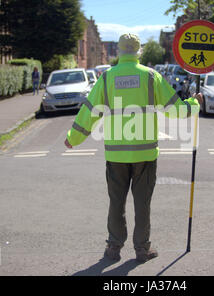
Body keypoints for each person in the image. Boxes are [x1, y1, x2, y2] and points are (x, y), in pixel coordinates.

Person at [64, 33, 203, 263]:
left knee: (116, 203)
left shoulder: (107, 78)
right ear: (139, 52)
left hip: (116, 155)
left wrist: (73, 138)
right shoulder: (151, 77)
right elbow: (175, 109)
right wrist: (195, 104)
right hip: (145, 155)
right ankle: (142, 250)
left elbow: (90, 110)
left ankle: (113, 249)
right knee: (142, 204)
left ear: (119, 51)